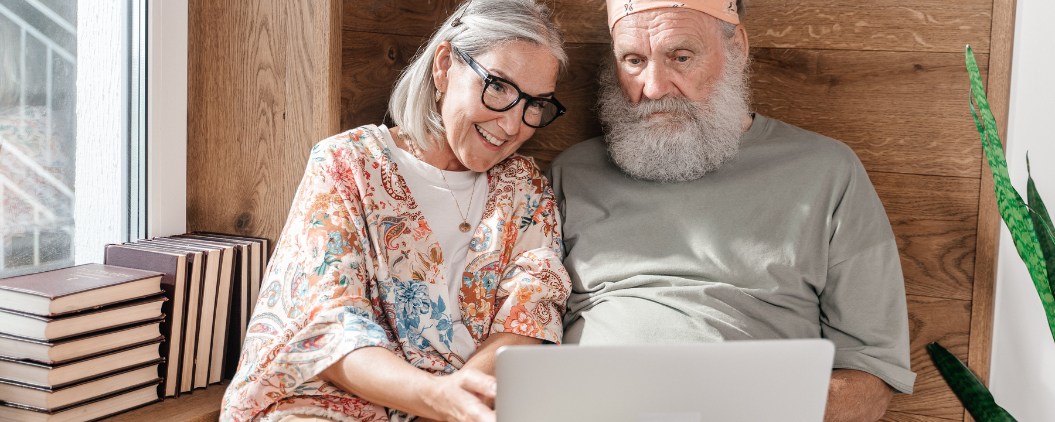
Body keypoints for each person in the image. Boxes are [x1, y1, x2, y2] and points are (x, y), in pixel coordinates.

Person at [546, 1, 916, 421]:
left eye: (680, 57)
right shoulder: (570, 173)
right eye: (634, 61)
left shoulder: (827, 171)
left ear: (736, 48)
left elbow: (872, 376)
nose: (653, 87)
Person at [221, 1, 571, 421]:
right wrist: (434, 397)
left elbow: (528, 318)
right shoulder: (346, 164)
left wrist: (459, 403)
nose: (513, 125)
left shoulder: (526, 187)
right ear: (444, 66)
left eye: (535, 104)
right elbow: (330, 327)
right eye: (498, 86)